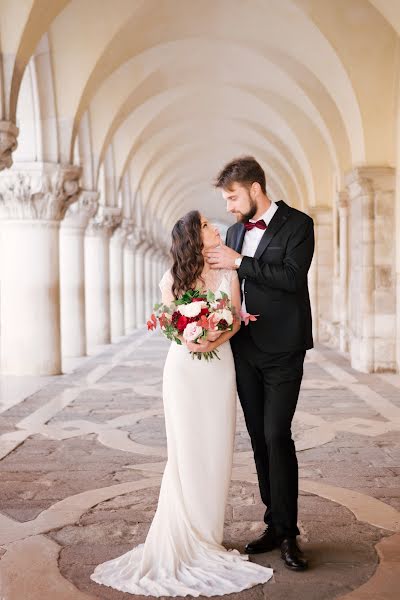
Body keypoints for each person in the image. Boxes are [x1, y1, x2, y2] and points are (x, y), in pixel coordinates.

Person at [90, 210, 273, 596]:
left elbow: (236, 319)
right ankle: (186, 532)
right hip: (183, 371)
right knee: (186, 450)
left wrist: (211, 340)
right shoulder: (172, 278)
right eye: (206, 225)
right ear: (194, 236)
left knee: (217, 448)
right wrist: (190, 339)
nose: (215, 227)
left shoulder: (228, 271)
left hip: (219, 366)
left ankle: (208, 534)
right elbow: (173, 324)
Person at [206, 156, 314, 571]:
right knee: (256, 437)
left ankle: (289, 534)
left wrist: (238, 262)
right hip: (244, 346)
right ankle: (273, 523)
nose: (230, 207)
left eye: (233, 197)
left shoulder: (298, 224)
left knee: (276, 434)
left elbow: (291, 277)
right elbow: (228, 283)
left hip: (284, 347)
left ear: (255, 189)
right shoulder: (234, 231)